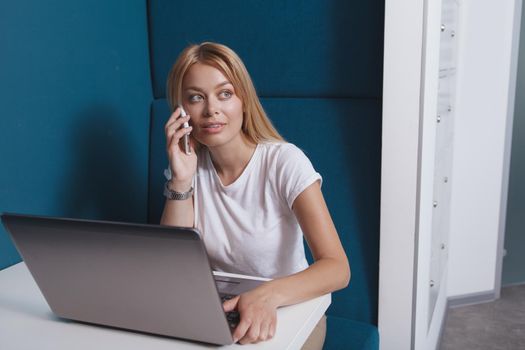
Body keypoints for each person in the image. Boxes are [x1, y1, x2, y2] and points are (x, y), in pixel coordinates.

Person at [160, 42, 350, 349]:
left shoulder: (284, 161)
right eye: (196, 97)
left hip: (291, 309)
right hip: (222, 311)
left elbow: (337, 268)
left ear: (244, 101)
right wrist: (181, 181)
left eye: (225, 93)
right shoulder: (187, 168)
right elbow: (171, 266)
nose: (211, 110)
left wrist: (266, 296)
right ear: (181, 111)